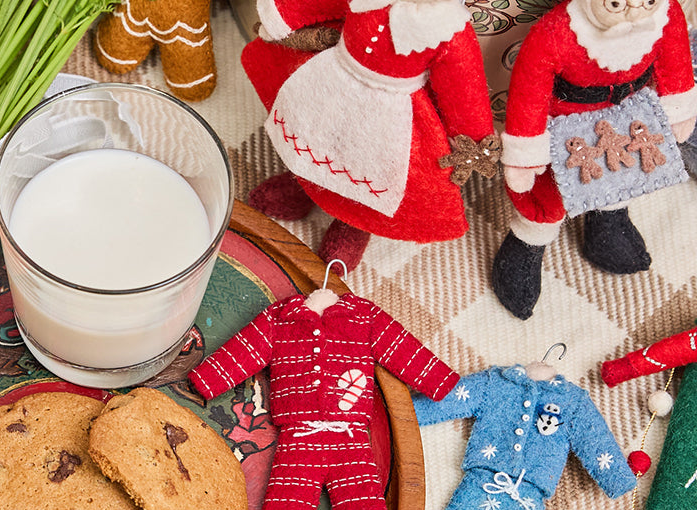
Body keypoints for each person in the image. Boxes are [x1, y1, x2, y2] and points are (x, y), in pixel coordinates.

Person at [241, 0, 496, 266]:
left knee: (368, 170)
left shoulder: (447, 26)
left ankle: (353, 226)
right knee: (312, 136)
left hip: (390, 110)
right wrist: (282, 17)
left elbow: (464, 87)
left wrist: (473, 138)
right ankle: (302, 187)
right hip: (332, 75)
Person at [493, 0, 697, 319]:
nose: (635, 9)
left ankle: (608, 224)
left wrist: (678, 103)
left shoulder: (664, 11)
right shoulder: (555, 33)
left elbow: (674, 55)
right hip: (564, 128)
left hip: (629, 116)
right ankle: (527, 244)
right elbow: (529, 91)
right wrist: (525, 152)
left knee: (623, 170)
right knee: (546, 195)